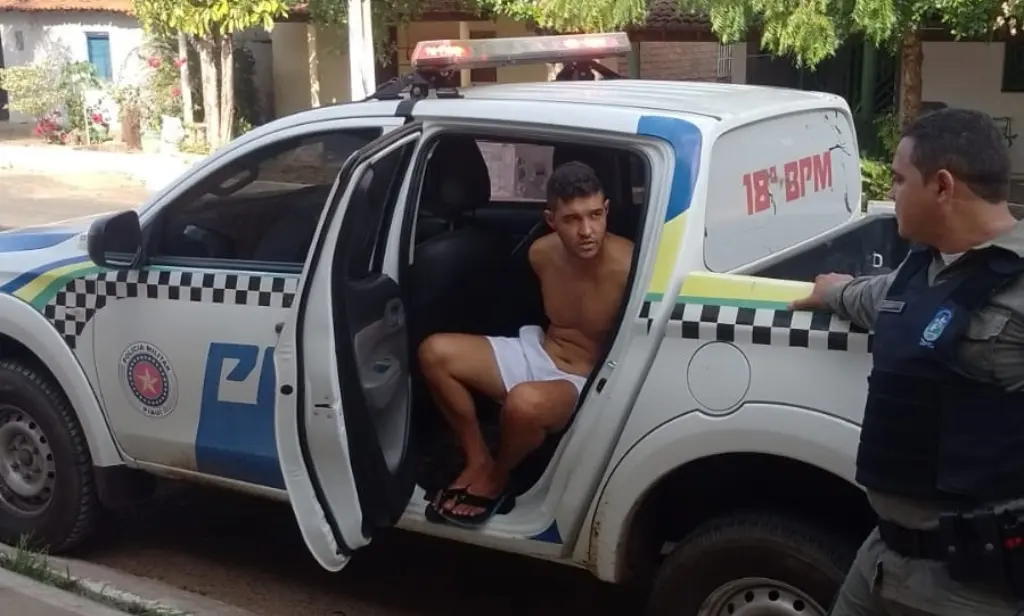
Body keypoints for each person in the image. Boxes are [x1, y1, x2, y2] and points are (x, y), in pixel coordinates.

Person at [789, 108, 1024, 615]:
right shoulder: (920, 269)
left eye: (899, 179)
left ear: (942, 187)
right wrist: (831, 292)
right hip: (882, 558)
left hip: (975, 585)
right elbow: (875, 299)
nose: (891, 192)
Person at [418, 161, 634, 527]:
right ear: (551, 219)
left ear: (606, 210)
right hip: (541, 351)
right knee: (434, 353)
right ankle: (477, 458)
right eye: (572, 219)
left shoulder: (632, 266)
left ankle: (498, 474)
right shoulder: (541, 254)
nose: (587, 231)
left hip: (585, 379)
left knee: (523, 403)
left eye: (595, 215)